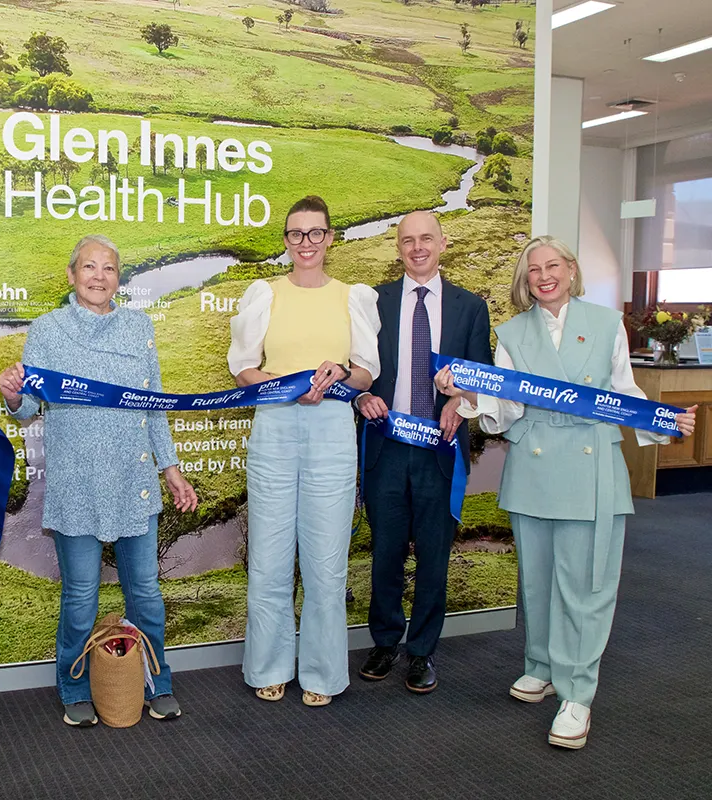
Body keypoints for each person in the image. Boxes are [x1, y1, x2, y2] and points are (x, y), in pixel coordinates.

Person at [438, 235, 696, 749]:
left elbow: (623, 389)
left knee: (586, 585)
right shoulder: (512, 332)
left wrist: (665, 421)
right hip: (534, 468)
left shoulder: (605, 324)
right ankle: (543, 665)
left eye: (552, 266)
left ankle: (577, 693)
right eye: (533, 270)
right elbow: (506, 407)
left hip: (590, 464)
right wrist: (467, 395)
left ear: (571, 271)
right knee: (536, 581)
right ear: (525, 280)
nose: (543, 276)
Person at [0, 235, 198, 727]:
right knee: (81, 597)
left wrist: (170, 469)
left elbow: (154, 405)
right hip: (77, 485)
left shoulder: (138, 326)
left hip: (134, 480)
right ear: (71, 275)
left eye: (108, 269)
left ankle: (158, 681)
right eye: (89, 266)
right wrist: (11, 396)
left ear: (119, 279)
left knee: (146, 595)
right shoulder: (47, 330)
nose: (98, 276)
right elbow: (28, 409)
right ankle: (73, 687)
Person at [228, 195, 380, 706]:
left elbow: (365, 371)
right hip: (274, 430)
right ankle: (269, 666)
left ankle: (321, 673)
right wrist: (277, 383)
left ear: (331, 237)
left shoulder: (351, 297)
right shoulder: (264, 295)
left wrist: (340, 374)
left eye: (316, 233)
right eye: (296, 234)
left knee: (326, 562)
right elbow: (243, 368)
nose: (306, 243)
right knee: (269, 559)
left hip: (333, 434)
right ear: (286, 241)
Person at [354, 211, 492, 694]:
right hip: (387, 449)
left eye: (426, 239)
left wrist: (462, 398)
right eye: (408, 240)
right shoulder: (374, 302)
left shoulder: (470, 308)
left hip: (440, 450)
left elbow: (483, 378)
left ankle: (422, 652)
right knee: (386, 553)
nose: (417, 248)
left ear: (443, 243)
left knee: (434, 555)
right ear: (398, 246)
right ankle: (386, 641)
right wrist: (358, 396)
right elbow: (358, 370)